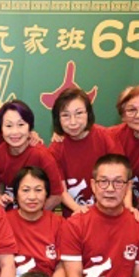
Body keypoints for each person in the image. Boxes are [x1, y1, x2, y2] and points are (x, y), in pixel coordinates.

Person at [0, 100, 63, 210]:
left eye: (21, 125)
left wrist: (32, 215)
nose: (15, 132)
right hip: (9, 216)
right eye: (8, 125)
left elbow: (56, 196)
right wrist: (0, 199)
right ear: (1, 129)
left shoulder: (42, 156)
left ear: (30, 128)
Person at [49, 87, 112, 217]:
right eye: (65, 115)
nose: (73, 122)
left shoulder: (105, 137)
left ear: (88, 113)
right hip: (75, 217)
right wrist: (79, 210)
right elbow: (60, 190)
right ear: (58, 119)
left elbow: (120, 178)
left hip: (107, 213)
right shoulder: (56, 148)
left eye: (78, 113)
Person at [6, 167, 66, 277]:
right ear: (16, 193)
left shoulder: (59, 223)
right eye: (25, 190)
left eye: (38, 190)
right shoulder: (3, 222)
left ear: (46, 193)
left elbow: (63, 266)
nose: (32, 197)